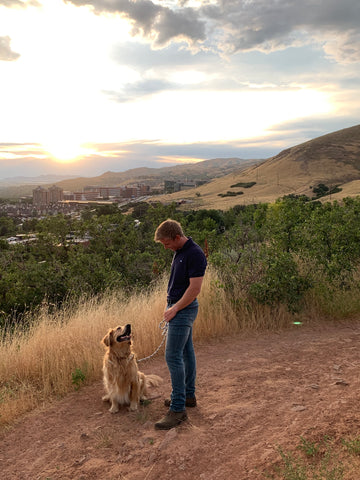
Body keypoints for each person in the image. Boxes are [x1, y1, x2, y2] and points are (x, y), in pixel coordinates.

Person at [153, 219, 207, 430]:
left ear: (176, 237)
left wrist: (174, 308)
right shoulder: (180, 251)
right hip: (178, 308)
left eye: (166, 243)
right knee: (186, 352)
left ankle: (178, 409)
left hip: (183, 310)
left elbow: (194, 289)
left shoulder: (194, 254)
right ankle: (188, 397)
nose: (166, 248)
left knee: (173, 356)